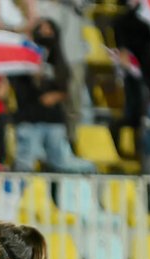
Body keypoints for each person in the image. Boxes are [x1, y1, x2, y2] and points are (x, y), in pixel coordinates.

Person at [11, 18, 94, 174]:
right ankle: (12, 198)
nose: (45, 33)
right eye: (41, 29)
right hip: (29, 119)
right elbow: (17, 85)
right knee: (24, 164)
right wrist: (34, 77)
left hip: (54, 120)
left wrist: (57, 95)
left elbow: (67, 88)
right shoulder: (23, 56)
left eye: (49, 29)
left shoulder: (59, 59)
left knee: (62, 165)